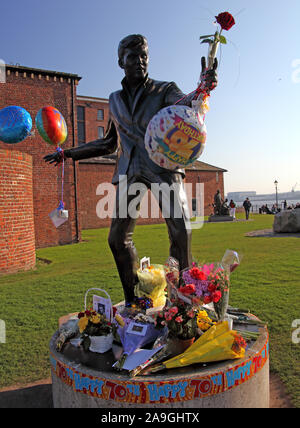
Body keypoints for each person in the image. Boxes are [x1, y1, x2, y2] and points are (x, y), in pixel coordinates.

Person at [43, 34, 218, 305]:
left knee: (181, 231)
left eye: (144, 56)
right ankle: (134, 299)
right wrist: (68, 153)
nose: (140, 62)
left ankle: (183, 300)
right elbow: (109, 143)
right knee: (117, 239)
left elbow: (186, 104)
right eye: (133, 57)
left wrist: (202, 89)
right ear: (120, 62)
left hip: (163, 167)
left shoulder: (164, 89)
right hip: (129, 171)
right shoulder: (113, 99)